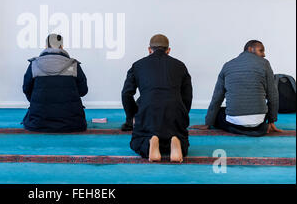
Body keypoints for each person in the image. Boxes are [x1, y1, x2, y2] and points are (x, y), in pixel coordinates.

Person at [121, 34, 193, 163]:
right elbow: (187, 96)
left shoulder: (137, 65)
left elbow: (126, 94)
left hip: (148, 113)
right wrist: (182, 115)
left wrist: (132, 117)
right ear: (168, 50)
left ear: (149, 50)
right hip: (174, 112)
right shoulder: (180, 66)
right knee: (181, 137)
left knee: (136, 141)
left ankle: (150, 143)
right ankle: (176, 141)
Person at [193, 40, 282, 136]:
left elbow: (217, 98)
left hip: (234, 122)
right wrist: (272, 120)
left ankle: (235, 128)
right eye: (261, 51)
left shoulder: (227, 65)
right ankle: (260, 128)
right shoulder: (265, 64)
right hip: (259, 122)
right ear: (250, 49)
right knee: (263, 107)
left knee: (219, 112)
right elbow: (273, 95)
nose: (264, 54)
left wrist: (208, 123)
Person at [22, 34, 88, 133]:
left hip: (38, 122)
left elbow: (26, 89)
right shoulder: (73, 65)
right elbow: (83, 91)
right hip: (72, 123)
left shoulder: (34, 64)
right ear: (62, 47)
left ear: (45, 46)